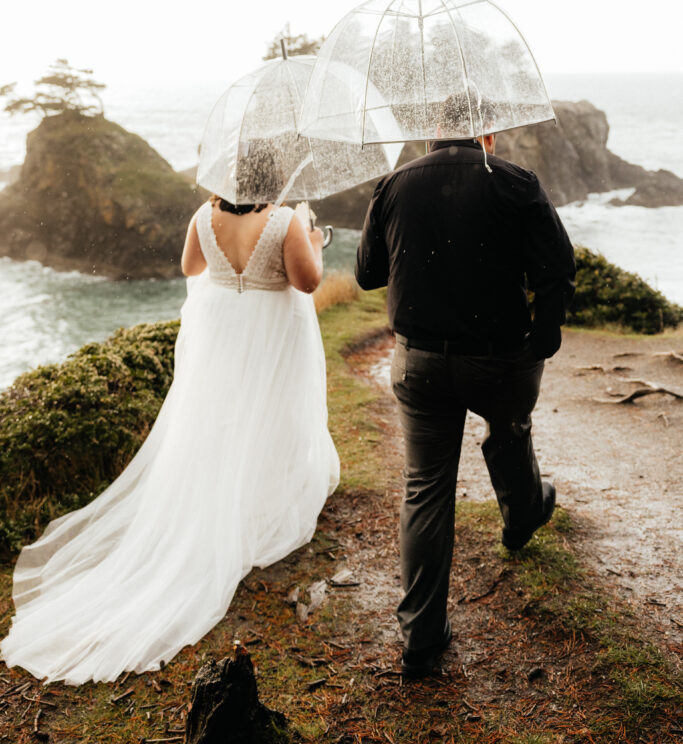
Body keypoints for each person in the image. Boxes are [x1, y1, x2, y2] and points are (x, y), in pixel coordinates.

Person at [1, 174, 339, 684]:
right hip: (270, 337)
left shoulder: (203, 216)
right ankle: (259, 506)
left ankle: (228, 502)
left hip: (224, 336)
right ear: (272, 175)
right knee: (273, 416)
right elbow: (308, 282)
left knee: (223, 425)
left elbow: (190, 267)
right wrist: (312, 237)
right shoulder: (289, 220)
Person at [355, 110, 575, 679]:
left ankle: (421, 639)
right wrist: (543, 337)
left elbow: (366, 273)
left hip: (420, 360)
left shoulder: (394, 184)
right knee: (508, 431)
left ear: (432, 133)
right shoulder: (515, 180)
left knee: (426, 488)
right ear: (486, 131)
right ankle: (523, 515)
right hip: (501, 358)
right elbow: (558, 266)